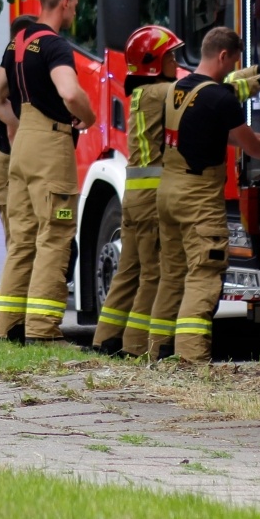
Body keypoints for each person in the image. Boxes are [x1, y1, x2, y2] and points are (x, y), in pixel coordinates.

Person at [148, 27, 260, 364]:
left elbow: (224, 135)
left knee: (172, 276)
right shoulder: (220, 98)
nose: (233, 69)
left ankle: (158, 351)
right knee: (204, 273)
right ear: (224, 56)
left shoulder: (177, 90)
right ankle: (189, 359)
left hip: (168, 192)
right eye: (234, 62)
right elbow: (251, 147)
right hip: (197, 198)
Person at [0, 0, 96, 343]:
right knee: (55, 235)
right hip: (50, 147)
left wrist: (20, 126)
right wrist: (88, 116)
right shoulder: (55, 46)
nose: (75, 9)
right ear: (64, 2)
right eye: (75, 3)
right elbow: (69, 91)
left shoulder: (18, 42)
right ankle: (43, 330)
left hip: (22, 147)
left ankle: (9, 328)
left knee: (21, 240)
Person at [90, 24, 182, 356]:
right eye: (171, 55)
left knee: (128, 270)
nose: (176, 61)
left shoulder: (143, 93)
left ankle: (106, 337)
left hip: (132, 197)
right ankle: (135, 346)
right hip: (150, 199)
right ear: (154, 62)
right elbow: (206, 92)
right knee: (153, 274)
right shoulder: (162, 93)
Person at [0, 13, 38, 244]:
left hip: (7, 167)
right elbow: (13, 132)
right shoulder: (14, 74)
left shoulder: (16, 71)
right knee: (21, 242)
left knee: (20, 242)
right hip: (10, 166)